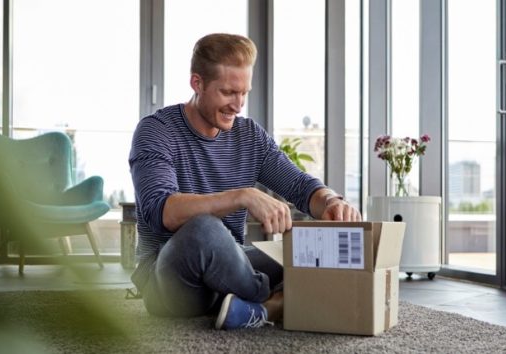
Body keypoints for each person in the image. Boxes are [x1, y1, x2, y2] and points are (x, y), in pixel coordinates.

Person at [128, 33, 361, 330]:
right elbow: (163, 212)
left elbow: (300, 187)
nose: (237, 105)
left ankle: (251, 305)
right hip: (171, 282)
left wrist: (330, 201)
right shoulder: (156, 131)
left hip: (230, 272)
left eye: (244, 93)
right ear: (197, 83)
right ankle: (273, 303)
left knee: (307, 250)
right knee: (202, 228)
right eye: (227, 92)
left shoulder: (249, 135)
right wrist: (242, 196)